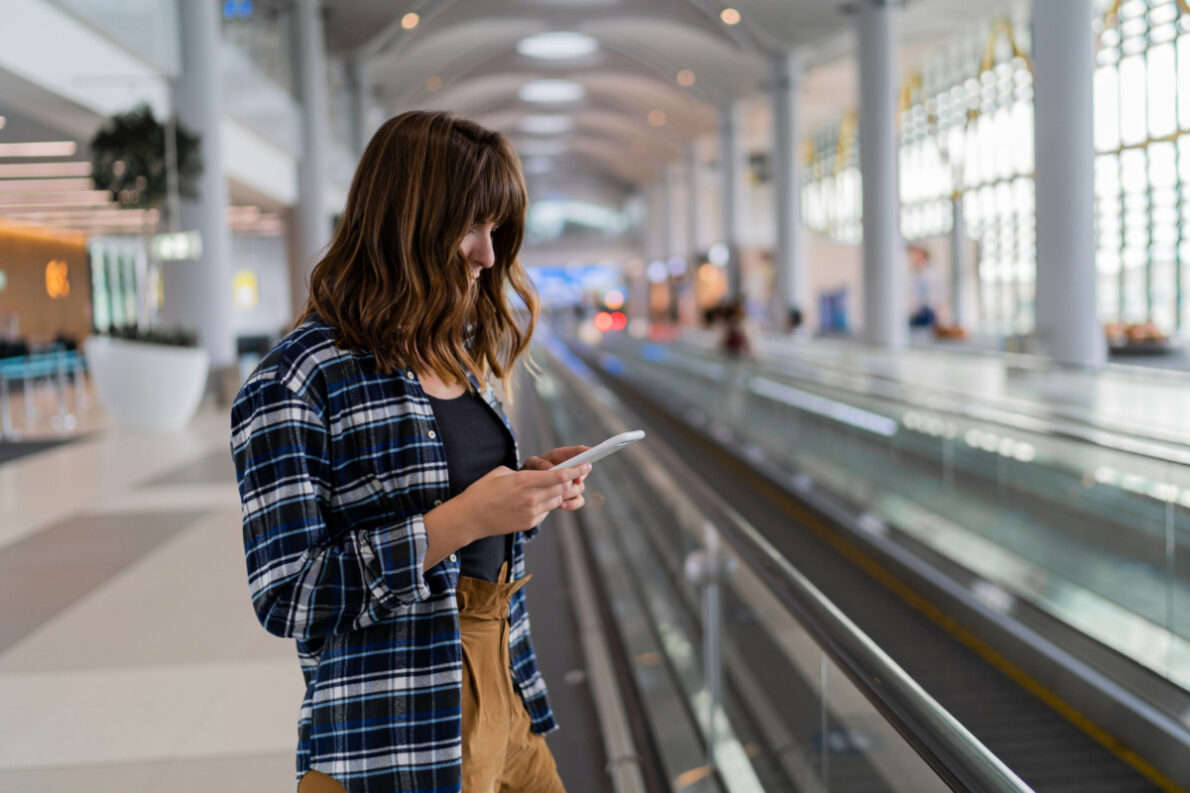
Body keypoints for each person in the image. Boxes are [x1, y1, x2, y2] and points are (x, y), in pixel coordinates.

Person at [230, 110, 591, 793]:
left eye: (495, 230)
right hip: (396, 736)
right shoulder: (297, 381)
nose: (488, 254)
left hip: (509, 701)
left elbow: (456, 512)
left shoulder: (453, 353)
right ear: (407, 224)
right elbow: (289, 596)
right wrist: (464, 518)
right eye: (471, 227)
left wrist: (524, 496)